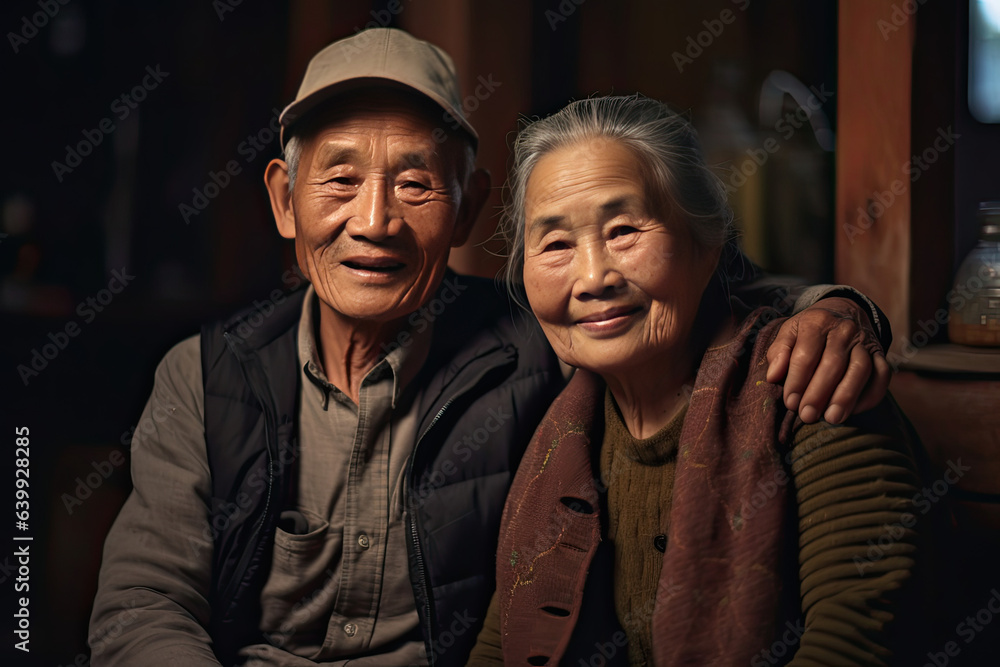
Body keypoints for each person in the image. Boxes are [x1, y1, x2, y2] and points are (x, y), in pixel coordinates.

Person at [90, 30, 893, 667]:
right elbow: (142, 606)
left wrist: (837, 309)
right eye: (338, 181)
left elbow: (688, 295)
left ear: (470, 207)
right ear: (283, 200)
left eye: (415, 184)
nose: (374, 221)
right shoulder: (205, 376)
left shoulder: (537, 345)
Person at [467, 94, 926, 666]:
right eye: (556, 244)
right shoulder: (559, 439)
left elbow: (862, 639)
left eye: (625, 230)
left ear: (705, 245)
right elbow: (502, 643)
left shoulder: (810, 386)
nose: (592, 278)